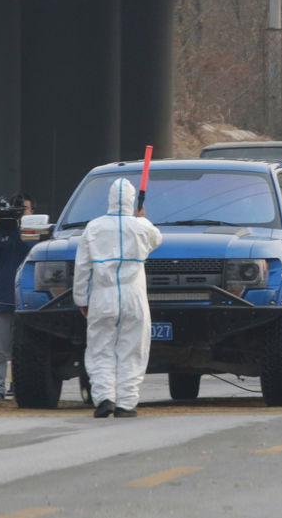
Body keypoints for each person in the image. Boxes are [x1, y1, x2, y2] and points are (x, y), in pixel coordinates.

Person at [73, 178, 162, 418]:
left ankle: (104, 399)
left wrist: (82, 299)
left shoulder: (93, 227)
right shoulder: (141, 227)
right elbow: (157, 239)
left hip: (102, 296)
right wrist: (143, 219)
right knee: (132, 349)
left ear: (110, 199)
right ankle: (126, 403)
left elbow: (82, 268)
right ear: (131, 201)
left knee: (100, 348)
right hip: (134, 296)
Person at [0, 194, 35, 402]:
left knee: (23, 348)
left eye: (24, 211)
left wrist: (21, 231)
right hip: (1, 297)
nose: (19, 215)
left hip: (26, 298)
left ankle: (19, 385)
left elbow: (32, 253)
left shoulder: (29, 234)